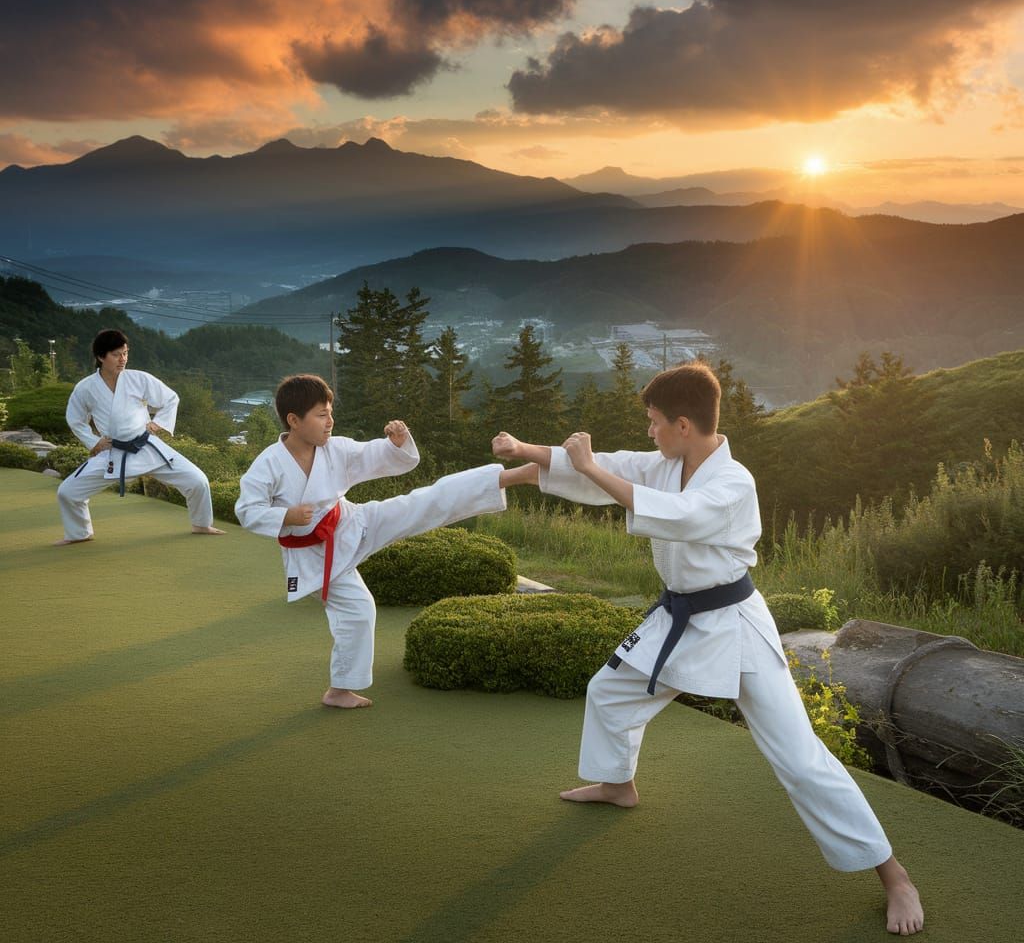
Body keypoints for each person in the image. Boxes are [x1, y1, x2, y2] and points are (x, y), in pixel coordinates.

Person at [491, 361, 924, 937]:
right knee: (610, 689)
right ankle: (619, 784)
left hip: (734, 626)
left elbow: (675, 517)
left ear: (684, 424)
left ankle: (894, 877)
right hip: (682, 615)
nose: (648, 432)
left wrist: (589, 465)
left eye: (653, 422)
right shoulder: (668, 461)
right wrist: (527, 450)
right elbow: (616, 467)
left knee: (798, 758)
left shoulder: (732, 483)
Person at [235, 373, 537, 710]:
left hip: (350, 521)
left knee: (420, 503)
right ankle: (340, 690)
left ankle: (511, 476)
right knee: (359, 608)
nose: (330, 421)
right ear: (294, 420)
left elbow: (373, 455)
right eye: (321, 415)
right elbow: (247, 510)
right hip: (317, 554)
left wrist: (395, 442)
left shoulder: (335, 449)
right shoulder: (269, 464)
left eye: (331, 412)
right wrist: (287, 516)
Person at [56, 329, 225, 544]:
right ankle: (79, 534)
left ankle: (201, 524)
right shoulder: (86, 388)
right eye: (117, 354)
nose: (123, 359)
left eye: (125, 353)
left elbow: (171, 398)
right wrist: (94, 441)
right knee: (67, 492)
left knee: (198, 481)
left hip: (147, 447)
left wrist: (157, 423)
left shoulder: (138, 379)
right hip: (114, 453)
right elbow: (75, 418)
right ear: (100, 357)